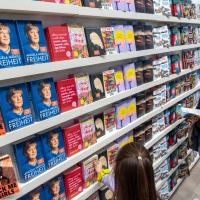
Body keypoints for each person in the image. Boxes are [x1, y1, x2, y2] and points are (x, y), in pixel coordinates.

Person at [94, 142, 159, 200]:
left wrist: (101, 172)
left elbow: (111, 182)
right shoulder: (152, 194)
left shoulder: (119, 189)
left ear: (116, 167)